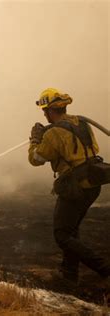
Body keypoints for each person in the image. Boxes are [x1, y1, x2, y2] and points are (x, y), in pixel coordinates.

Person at [28, 88, 110, 285]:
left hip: (75, 187)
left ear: (51, 110)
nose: (44, 114)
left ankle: (104, 269)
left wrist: (35, 140)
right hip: (92, 183)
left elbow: (36, 159)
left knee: (62, 235)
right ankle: (69, 274)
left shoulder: (55, 132)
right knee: (71, 230)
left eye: (45, 110)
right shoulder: (80, 123)